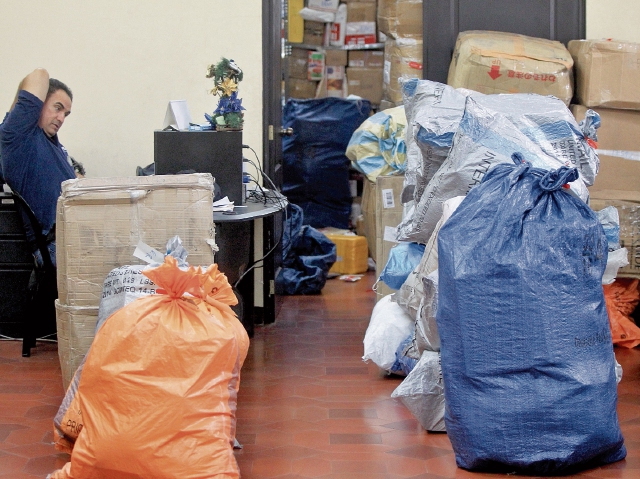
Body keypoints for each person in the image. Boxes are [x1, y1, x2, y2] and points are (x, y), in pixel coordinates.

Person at [0, 68, 76, 267]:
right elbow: (39, 76)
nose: (61, 118)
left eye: (66, 114)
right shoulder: (20, 138)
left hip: (74, 239)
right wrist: (19, 109)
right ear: (39, 103)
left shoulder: (53, 145)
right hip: (56, 246)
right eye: (57, 108)